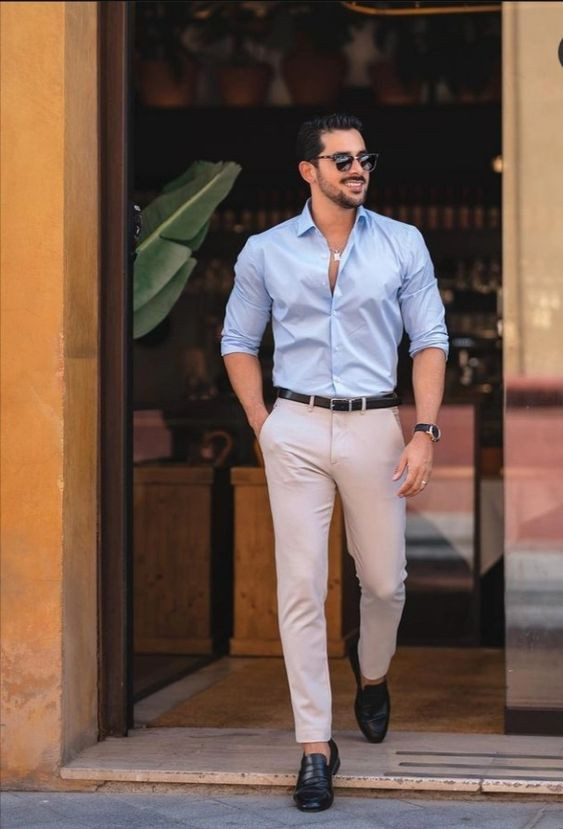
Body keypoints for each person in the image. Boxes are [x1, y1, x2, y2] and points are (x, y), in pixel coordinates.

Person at [221, 113, 448, 812]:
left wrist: (425, 430)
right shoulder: (265, 251)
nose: (357, 169)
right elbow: (237, 339)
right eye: (342, 160)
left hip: (376, 424)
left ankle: (371, 673)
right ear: (308, 171)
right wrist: (264, 424)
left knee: (383, 584)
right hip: (294, 422)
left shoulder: (402, 243)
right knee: (300, 585)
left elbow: (429, 339)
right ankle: (314, 746)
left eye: (363, 158)